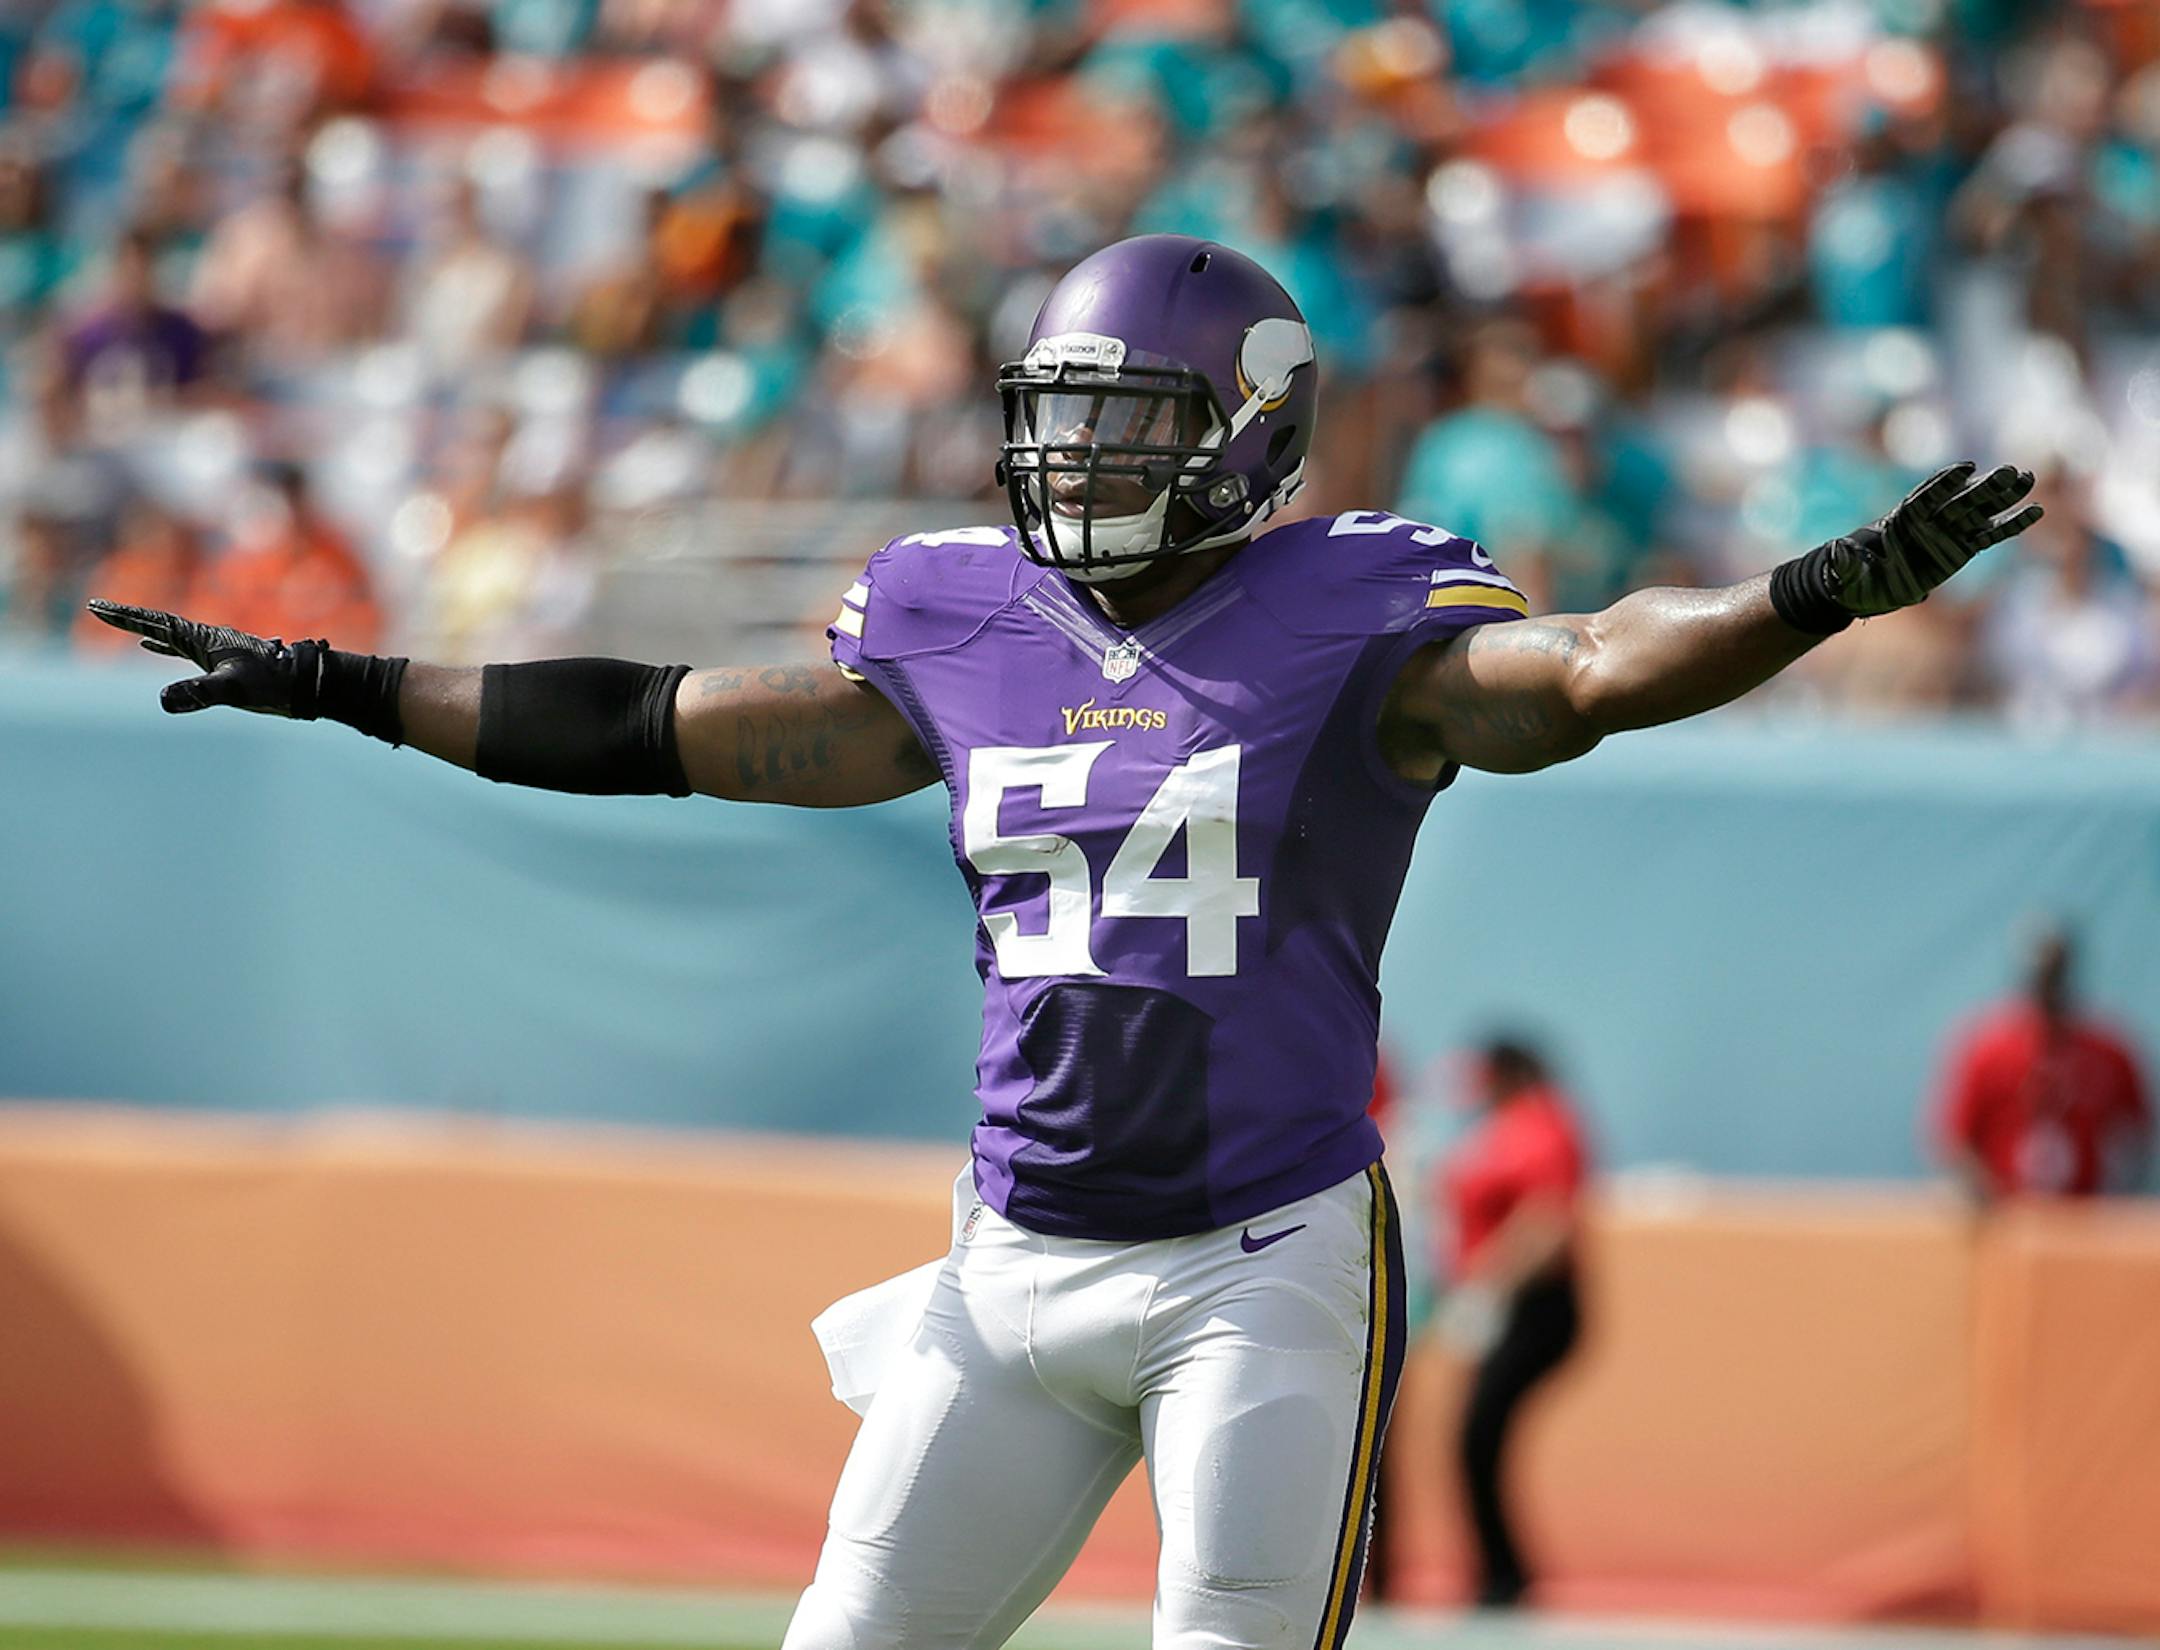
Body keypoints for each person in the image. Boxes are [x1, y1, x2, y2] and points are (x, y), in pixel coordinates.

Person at [89, 235, 2042, 1650]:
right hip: (1008, 1262)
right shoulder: (960, 615)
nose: (1078, 471)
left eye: (1132, 429)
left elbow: (1595, 671)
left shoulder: (1359, 611)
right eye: (1065, 428)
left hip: (1256, 1265)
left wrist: (1821, 590)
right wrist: (352, 684)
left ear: (1256, 436)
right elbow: (659, 726)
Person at [1435, 1039, 1589, 1609]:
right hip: (1499, 1304)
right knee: (1475, 1438)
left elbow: (1547, 1221)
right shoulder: (1494, 1130)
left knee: (1479, 1434)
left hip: (1535, 1307)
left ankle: (1506, 1575)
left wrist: (1489, 1289)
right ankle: (1499, 1571)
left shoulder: (1543, 1124)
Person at [1934, 927, 2151, 1202]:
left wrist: (2120, 1199)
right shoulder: (1987, 1048)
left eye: (2055, 975)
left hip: (2086, 1217)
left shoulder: (2109, 1051)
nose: (2049, 989)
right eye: (2041, 977)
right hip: (2008, 1216)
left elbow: (2140, 1132)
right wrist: (1981, 1193)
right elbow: (1953, 1139)